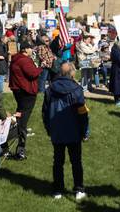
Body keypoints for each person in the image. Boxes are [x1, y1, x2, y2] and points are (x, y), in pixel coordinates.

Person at [42, 62, 89, 200]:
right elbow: (83, 113)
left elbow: (44, 112)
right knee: (76, 161)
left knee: (58, 161)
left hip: (56, 130)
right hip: (73, 130)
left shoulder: (50, 88)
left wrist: (49, 128)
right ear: (72, 73)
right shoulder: (76, 89)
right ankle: (79, 188)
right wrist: (85, 131)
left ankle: (57, 190)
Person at [9, 44, 43, 160]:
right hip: (26, 91)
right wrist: (40, 68)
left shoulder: (17, 58)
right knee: (23, 120)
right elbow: (32, 73)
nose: (31, 50)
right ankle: (20, 150)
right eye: (30, 48)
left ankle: (13, 132)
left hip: (19, 90)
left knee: (20, 115)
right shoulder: (24, 60)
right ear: (25, 50)